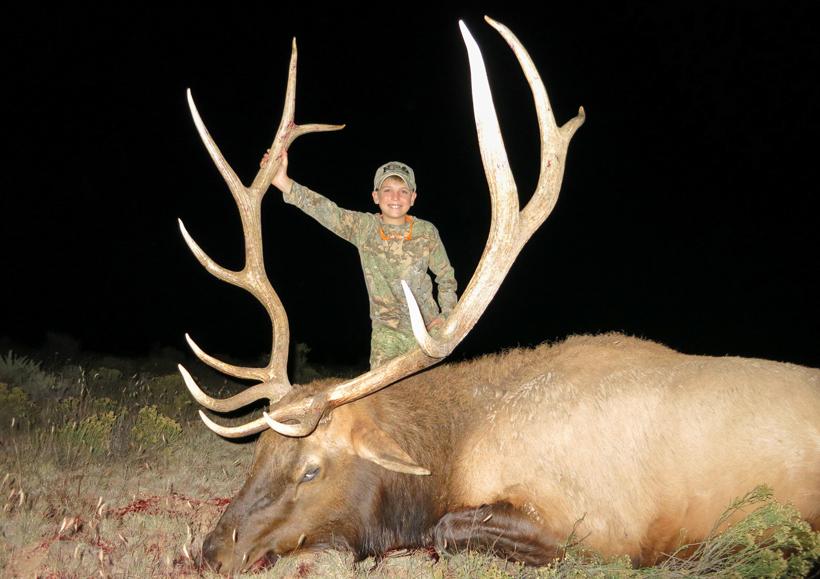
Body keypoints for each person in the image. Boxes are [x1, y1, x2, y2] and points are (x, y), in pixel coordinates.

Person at [262, 150, 457, 369]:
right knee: (386, 397)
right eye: (388, 190)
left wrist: (447, 316)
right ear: (376, 196)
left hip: (428, 328)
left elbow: (446, 277)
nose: (395, 197)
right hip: (387, 335)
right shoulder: (364, 227)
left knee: (432, 394)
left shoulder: (427, 231)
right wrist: (283, 181)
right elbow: (327, 211)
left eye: (403, 191)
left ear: (413, 198)